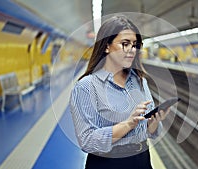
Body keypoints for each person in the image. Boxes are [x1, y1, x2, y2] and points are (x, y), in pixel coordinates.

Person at [70, 15, 170, 169]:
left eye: (135, 45)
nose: (132, 50)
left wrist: (154, 122)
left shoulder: (139, 81)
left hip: (142, 159)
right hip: (108, 163)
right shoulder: (86, 86)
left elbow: (150, 132)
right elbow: (87, 141)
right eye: (125, 44)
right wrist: (129, 124)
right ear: (106, 46)